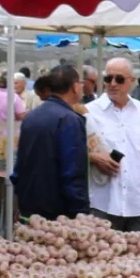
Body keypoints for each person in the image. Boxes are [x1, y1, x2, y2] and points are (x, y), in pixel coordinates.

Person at [85, 58, 140, 243]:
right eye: (108, 79)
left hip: (139, 202)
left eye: (119, 79)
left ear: (132, 81)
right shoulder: (89, 112)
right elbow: (73, 151)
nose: (113, 84)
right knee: (103, 264)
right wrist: (92, 157)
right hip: (102, 202)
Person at [11, 66, 90, 221]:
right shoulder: (69, 120)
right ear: (74, 87)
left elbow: (19, 165)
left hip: (29, 207)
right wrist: (81, 211)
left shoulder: (31, 116)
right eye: (80, 83)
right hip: (58, 216)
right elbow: (73, 171)